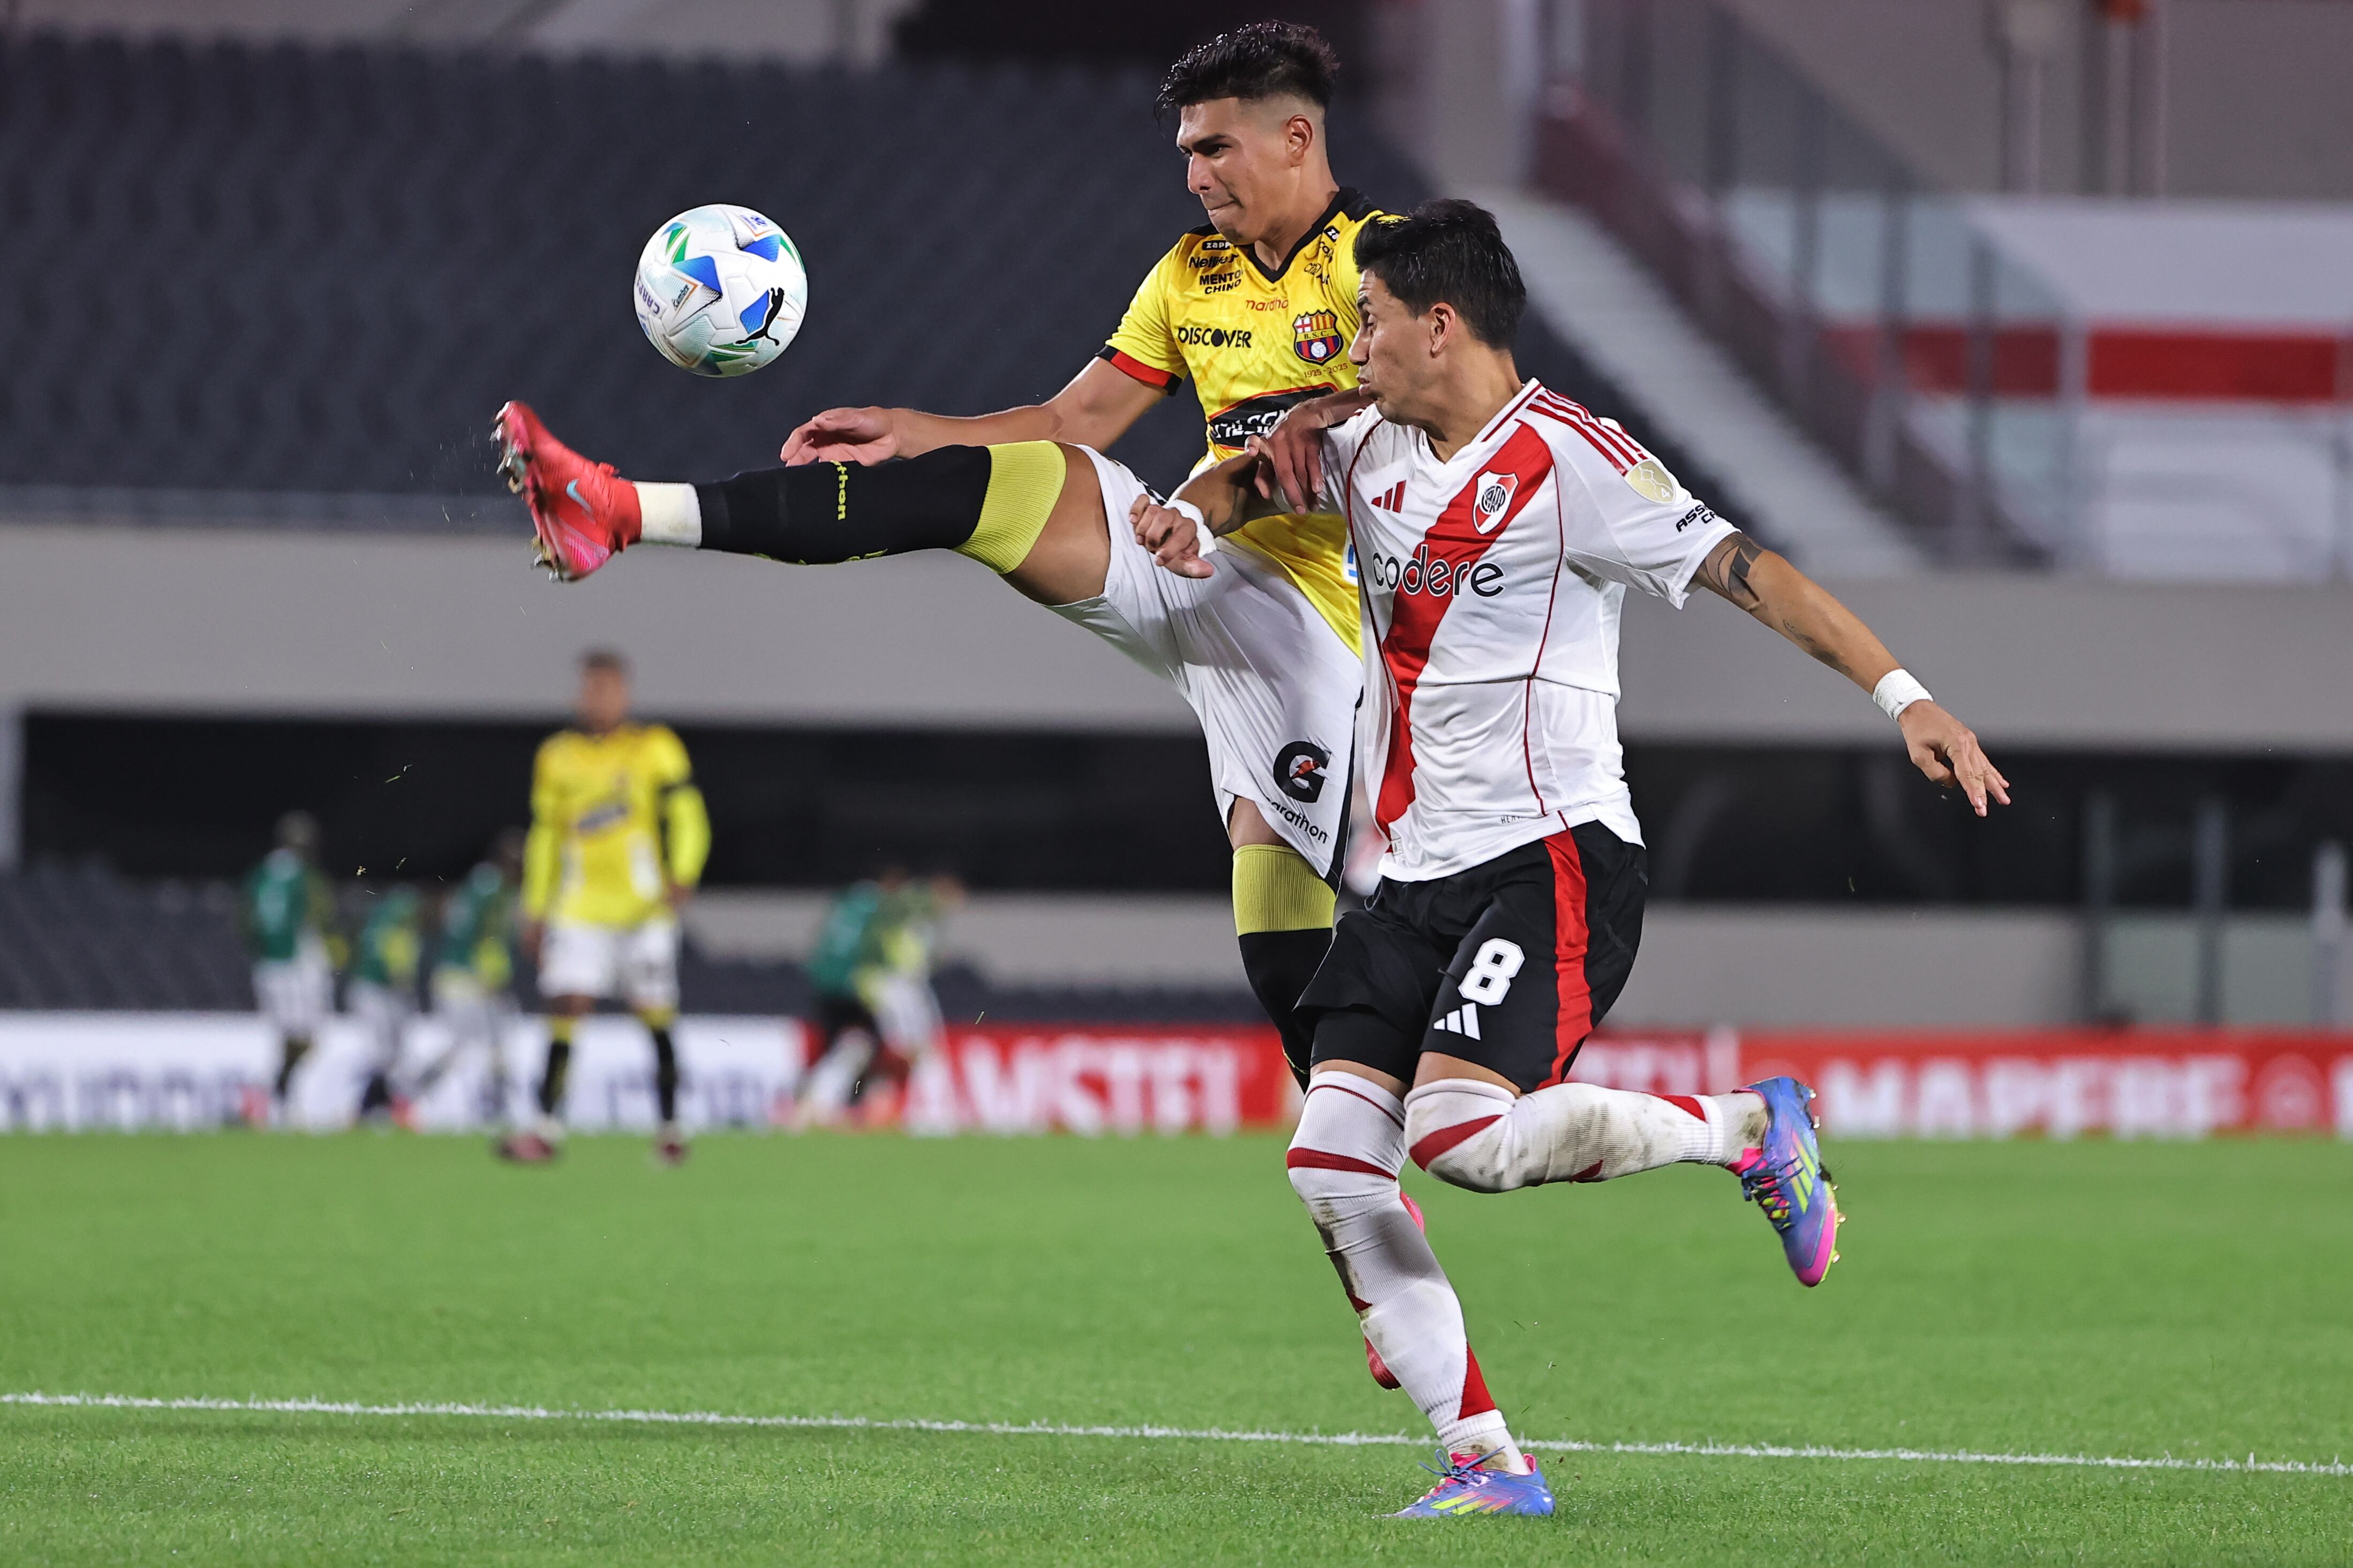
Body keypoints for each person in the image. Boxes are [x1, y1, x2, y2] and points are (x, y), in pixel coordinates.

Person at [1130, 200, 2012, 1517]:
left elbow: (1751, 573)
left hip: (1549, 856)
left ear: (1440, 326)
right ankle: (1485, 1460)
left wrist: (1906, 698)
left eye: (1369, 318)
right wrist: (1186, 514)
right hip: (1410, 872)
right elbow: (1243, 471)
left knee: (1458, 1139)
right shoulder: (1357, 441)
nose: (1350, 339)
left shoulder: (1574, 461)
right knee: (1327, 1161)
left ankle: (1743, 1129)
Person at [500, 21, 1377, 1095]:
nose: (1192, 173)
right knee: (989, 490)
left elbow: (1427, 395)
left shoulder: (1381, 260)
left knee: (1289, 968)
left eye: (1215, 149)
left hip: (1334, 633)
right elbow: (1075, 416)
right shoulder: (1190, 274)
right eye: (1186, 150)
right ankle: (623, 508)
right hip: (1194, 559)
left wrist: (1322, 421)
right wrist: (919, 427)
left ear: (1295, 137)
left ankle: (1393, 1146)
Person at [500, 650, 711, 1166]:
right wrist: (535, 906)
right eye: (591, 689)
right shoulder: (557, 755)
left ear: (626, 694)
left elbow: (688, 814)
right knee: (567, 1006)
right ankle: (545, 1129)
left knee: (654, 1013)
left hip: (644, 910)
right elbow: (547, 836)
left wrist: (684, 872)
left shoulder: (654, 747)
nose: (599, 699)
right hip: (580, 907)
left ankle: (669, 1129)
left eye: (609, 689)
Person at [793, 872, 959, 1129]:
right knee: (916, 1051)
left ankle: (819, 1106)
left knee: (857, 1045)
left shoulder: (851, 902)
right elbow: (901, 963)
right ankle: (931, 1115)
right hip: (879, 988)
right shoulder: (902, 911)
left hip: (846, 987)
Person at [410, 829, 526, 1128]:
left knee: (478, 1047)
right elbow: (476, 934)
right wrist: (486, 974)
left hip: (459, 975)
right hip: (465, 977)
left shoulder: (482, 883)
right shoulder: (491, 888)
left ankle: (490, 1109)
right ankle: (410, 1094)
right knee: (485, 1046)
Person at [239, 810, 337, 1124]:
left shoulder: (259, 875)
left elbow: (245, 921)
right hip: (296, 963)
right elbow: (319, 915)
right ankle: (274, 1095)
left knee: (288, 1039)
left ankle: (273, 1100)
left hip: (268, 964)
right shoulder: (304, 877)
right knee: (306, 1040)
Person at [347, 884, 424, 1126]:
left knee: (392, 1055)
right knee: (384, 1054)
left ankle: (378, 1105)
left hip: (384, 994)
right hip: (377, 993)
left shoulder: (387, 927)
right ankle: (368, 1106)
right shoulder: (390, 930)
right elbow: (389, 970)